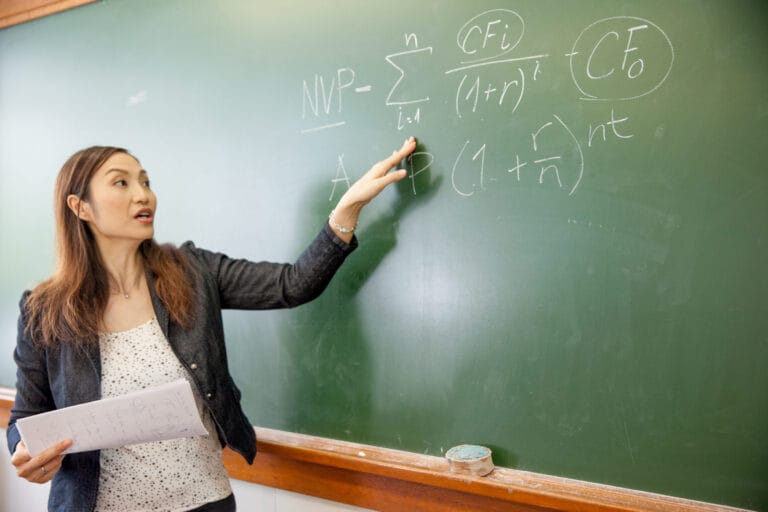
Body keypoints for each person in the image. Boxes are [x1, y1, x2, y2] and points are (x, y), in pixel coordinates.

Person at [6, 137, 417, 512]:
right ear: (80, 207)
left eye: (145, 181)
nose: (143, 194)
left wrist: (346, 211)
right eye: (121, 183)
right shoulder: (44, 310)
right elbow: (26, 416)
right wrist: (26, 453)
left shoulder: (192, 270)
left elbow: (293, 284)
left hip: (205, 503)